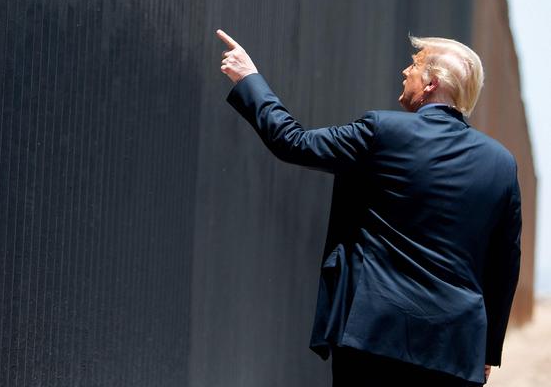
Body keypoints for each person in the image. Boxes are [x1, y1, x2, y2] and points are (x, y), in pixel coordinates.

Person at [216, 29, 521, 386]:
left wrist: (249, 78)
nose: (406, 72)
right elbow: (505, 264)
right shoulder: (501, 164)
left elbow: (293, 142)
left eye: (414, 65)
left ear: (431, 84)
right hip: (454, 349)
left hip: (374, 336)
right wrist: (486, 350)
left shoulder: (382, 131)